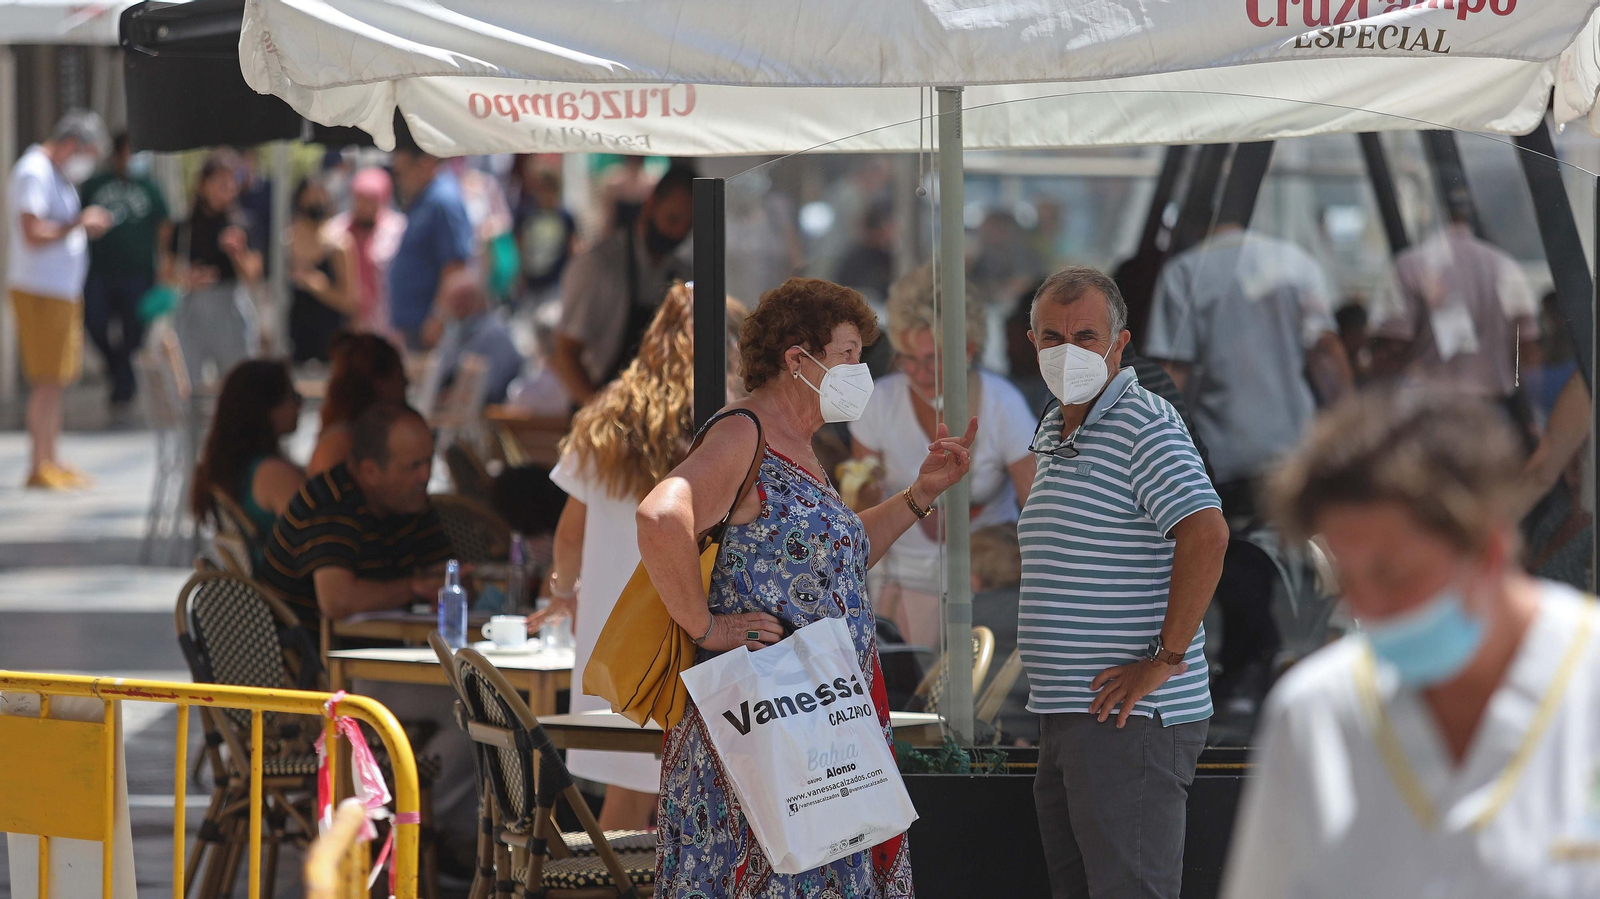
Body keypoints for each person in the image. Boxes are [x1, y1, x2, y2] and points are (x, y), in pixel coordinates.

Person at [637, 277, 978, 897]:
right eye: (847, 353)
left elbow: (835, 563)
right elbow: (661, 517)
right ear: (799, 359)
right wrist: (706, 625)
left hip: (815, 726)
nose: (859, 369)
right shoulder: (745, 432)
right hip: (764, 725)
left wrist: (919, 495)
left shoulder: (802, 443)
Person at [1223, 390, 1600, 899]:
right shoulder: (1317, 713)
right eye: (1346, 579)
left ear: (1487, 550)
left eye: (1391, 573)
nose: (1366, 608)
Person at [1019, 267, 1229, 899]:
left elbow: (1208, 534)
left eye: (1086, 335)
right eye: (1052, 336)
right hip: (1075, 716)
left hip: (1129, 721)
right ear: (1032, 343)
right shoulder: (1059, 426)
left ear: (1120, 342)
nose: (1069, 350)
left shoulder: (1144, 422)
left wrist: (1161, 660)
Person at [528, 283, 744, 831]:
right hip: (692, 614)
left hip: (612, 626)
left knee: (623, 803)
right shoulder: (728, 418)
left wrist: (560, 593)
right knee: (698, 802)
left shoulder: (607, 415)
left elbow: (570, 534)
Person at [849, 264, 1036, 650]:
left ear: (966, 349)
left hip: (981, 584)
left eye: (932, 359)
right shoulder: (879, 401)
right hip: (898, 583)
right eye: (907, 358)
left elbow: (1036, 503)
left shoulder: (1003, 404)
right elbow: (860, 507)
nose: (918, 373)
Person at [1144, 217, 1351, 522]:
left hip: (1221, 458)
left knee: (1236, 559)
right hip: (1295, 449)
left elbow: (1173, 373)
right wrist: (1349, 423)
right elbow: (1325, 350)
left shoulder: (1185, 271)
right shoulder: (1296, 263)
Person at [1369, 186, 1540, 440]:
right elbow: (1526, 349)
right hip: (1490, 413)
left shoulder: (1411, 264)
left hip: (1427, 413)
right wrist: (1529, 416)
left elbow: (1393, 346)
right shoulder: (1505, 266)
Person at [261, 402, 450, 627]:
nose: (425, 476)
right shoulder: (331, 501)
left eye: (429, 461)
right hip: (309, 656)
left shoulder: (409, 501)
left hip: (376, 649)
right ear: (370, 472)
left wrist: (449, 584)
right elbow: (337, 601)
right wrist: (414, 588)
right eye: (414, 466)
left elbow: (449, 579)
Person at [7, 110, 111, 489]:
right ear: (71, 144)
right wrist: (78, 224)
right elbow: (32, 231)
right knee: (46, 381)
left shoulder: (55, 174)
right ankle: (38, 464)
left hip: (60, 291)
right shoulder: (33, 170)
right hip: (40, 290)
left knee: (58, 379)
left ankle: (52, 457)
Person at [552, 165, 694, 405]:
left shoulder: (683, 273)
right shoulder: (598, 266)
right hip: (595, 408)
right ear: (650, 205)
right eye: (672, 219)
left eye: (688, 226)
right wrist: (598, 413)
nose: (678, 232)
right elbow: (565, 352)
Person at [79, 131, 170, 410]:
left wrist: (163, 262)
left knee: (134, 332)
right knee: (94, 324)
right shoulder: (94, 186)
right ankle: (118, 369)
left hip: (138, 274)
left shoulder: (149, 186)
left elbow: (164, 223)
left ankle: (123, 382)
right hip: (99, 273)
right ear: (118, 155)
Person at [190, 359, 305, 569]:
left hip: (258, 594)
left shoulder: (228, 465)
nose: (300, 405)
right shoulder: (273, 474)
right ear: (267, 409)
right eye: (294, 397)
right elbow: (315, 547)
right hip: (285, 596)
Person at [167, 153, 263, 389]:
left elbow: (253, 274)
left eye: (232, 183)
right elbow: (166, 273)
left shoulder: (243, 223)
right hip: (193, 310)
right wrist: (187, 279)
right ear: (203, 185)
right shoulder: (184, 227)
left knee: (239, 386)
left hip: (230, 307)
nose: (227, 189)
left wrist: (237, 252)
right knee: (190, 386)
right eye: (221, 182)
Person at [388, 143, 474, 348]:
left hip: (430, 328)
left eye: (402, 172)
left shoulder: (443, 201)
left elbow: (455, 267)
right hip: (415, 325)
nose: (398, 181)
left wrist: (438, 319)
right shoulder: (425, 198)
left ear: (425, 164)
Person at [307, 333, 408, 476]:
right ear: (379, 383)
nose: (406, 384)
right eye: (400, 377)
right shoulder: (342, 443)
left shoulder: (348, 438)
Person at [326, 166, 406, 337]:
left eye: (371, 199)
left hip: (387, 320)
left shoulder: (397, 229)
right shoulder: (337, 229)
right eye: (360, 198)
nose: (364, 205)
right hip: (346, 323)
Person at [287, 177, 356, 364]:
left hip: (330, 344)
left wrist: (320, 288)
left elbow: (349, 301)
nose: (316, 202)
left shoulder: (339, 244)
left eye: (320, 196)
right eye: (310, 197)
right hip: (293, 344)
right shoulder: (285, 243)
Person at [428, 272, 524, 406]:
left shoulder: (494, 334)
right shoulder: (453, 331)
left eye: (462, 300)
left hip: (487, 415)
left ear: (477, 300)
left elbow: (491, 389)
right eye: (453, 301)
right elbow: (441, 372)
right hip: (453, 411)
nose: (455, 307)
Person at [510, 159, 577, 307]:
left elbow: (572, 248)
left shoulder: (565, 217)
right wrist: (520, 273)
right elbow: (519, 244)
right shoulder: (526, 213)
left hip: (555, 280)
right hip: (530, 281)